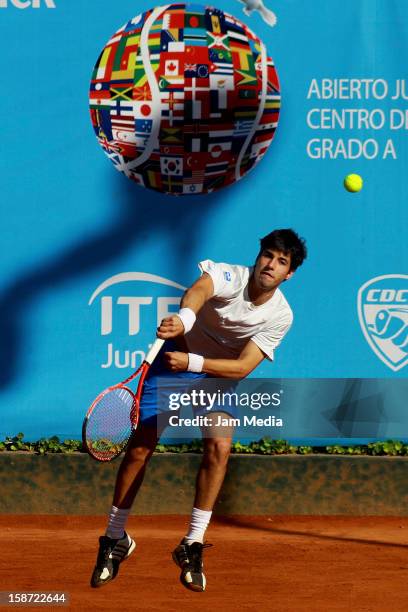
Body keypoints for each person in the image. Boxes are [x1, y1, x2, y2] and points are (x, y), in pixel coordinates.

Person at [90, 228, 307, 592]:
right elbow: (199, 291)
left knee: (219, 447)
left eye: (281, 261)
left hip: (212, 372)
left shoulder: (281, 315)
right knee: (141, 447)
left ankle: (191, 543)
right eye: (268, 255)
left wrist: (190, 362)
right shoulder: (229, 275)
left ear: (289, 274)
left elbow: (240, 368)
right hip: (179, 352)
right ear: (258, 257)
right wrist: (186, 320)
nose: (271, 264)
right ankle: (114, 539)